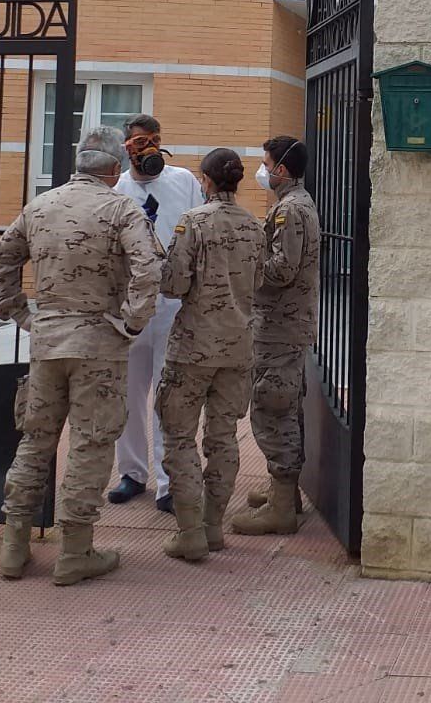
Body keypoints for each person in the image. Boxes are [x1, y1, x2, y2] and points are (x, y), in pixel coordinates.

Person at [0, 126, 162, 586]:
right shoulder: (121, 208)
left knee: (35, 440)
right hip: (100, 344)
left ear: (79, 161)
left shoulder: (40, 205)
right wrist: (132, 322)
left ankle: (13, 546)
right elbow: (149, 270)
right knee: (90, 443)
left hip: (47, 342)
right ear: (115, 169)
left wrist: (23, 315)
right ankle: (76, 551)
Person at [155, 147, 262, 561]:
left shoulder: (193, 223)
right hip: (237, 349)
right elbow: (260, 282)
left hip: (193, 349)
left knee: (179, 436)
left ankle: (189, 531)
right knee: (223, 438)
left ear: (207, 180)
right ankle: (213, 526)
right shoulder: (254, 226)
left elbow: (173, 286)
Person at [108, 113, 204, 514]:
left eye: (155, 140)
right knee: (128, 391)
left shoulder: (184, 181)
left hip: (172, 303)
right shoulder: (115, 188)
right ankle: (132, 473)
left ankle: (168, 481)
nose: (149, 148)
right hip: (130, 304)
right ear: (126, 148)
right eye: (140, 142)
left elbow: (200, 232)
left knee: (169, 394)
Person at [232, 136, 320, 537]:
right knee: (283, 404)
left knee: (272, 407)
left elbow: (282, 269)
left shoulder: (290, 209)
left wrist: (247, 268)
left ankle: (282, 507)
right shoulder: (295, 203)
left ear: (281, 169)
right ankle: (284, 492)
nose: (262, 171)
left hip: (279, 327)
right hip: (284, 324)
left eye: (266, 164)